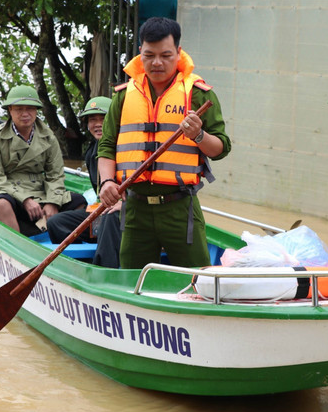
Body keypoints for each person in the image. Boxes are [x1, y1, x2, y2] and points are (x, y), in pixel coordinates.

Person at [96, 17, 231, 269]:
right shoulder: (124, 95)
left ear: (178, 53)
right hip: (135, 208)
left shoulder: (199, 93)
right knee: (132, 281)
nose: (157, 62)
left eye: (166, 55)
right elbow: (106, 147)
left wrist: (198, 135)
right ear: (140, 53)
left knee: (196, 281)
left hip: (179, 207)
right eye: (149, 55)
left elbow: (221, 148)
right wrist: (106, 182)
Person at [0, 85, 86, 236]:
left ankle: (53, 236)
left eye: (30, 108)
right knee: (2, 204)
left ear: (36, 111)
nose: (25, 114)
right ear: (10, 110)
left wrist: (52, 202)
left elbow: (55, 175)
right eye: (19, 109)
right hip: (7, 192)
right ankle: (15, 247)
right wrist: (25, 200)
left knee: (78, 201)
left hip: (40, 192)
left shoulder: (48, 137)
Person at [45, 96, 122, 268]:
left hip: (124, 214)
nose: (97, 124)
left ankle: (105, 271)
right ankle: (77, 265)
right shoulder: (91, 151)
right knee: (56, 222)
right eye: (92, 119)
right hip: (104, 211)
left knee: (110, 219)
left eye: (103, 119)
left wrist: (124, 203)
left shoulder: (124, 146)